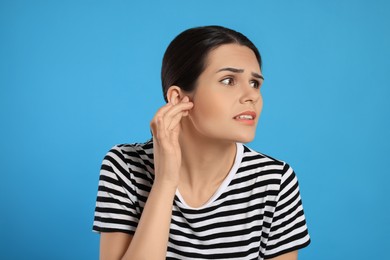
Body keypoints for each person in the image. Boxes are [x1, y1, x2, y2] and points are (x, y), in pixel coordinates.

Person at [93, 25, 311, 260]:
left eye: (255, 83)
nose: (252, 95)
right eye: (229, 80)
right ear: (179, 98)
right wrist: (166, 181)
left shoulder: (275, 180)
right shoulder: (125, 165)